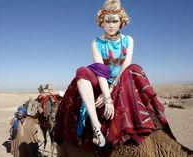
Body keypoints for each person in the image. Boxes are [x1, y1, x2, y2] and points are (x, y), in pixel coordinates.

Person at [54, 0, 170, 149]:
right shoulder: (96, 42)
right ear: (102, 22)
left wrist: (109, 92)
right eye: (107, 21)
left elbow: (125, 68)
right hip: (101, 80)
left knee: (133, 68)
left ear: (121, 22)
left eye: (114, 21)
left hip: (121, 80)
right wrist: (107, 98)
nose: (111, 25)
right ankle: (96, 126)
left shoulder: (129, 40)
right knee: (81, 71)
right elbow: (101, 71)